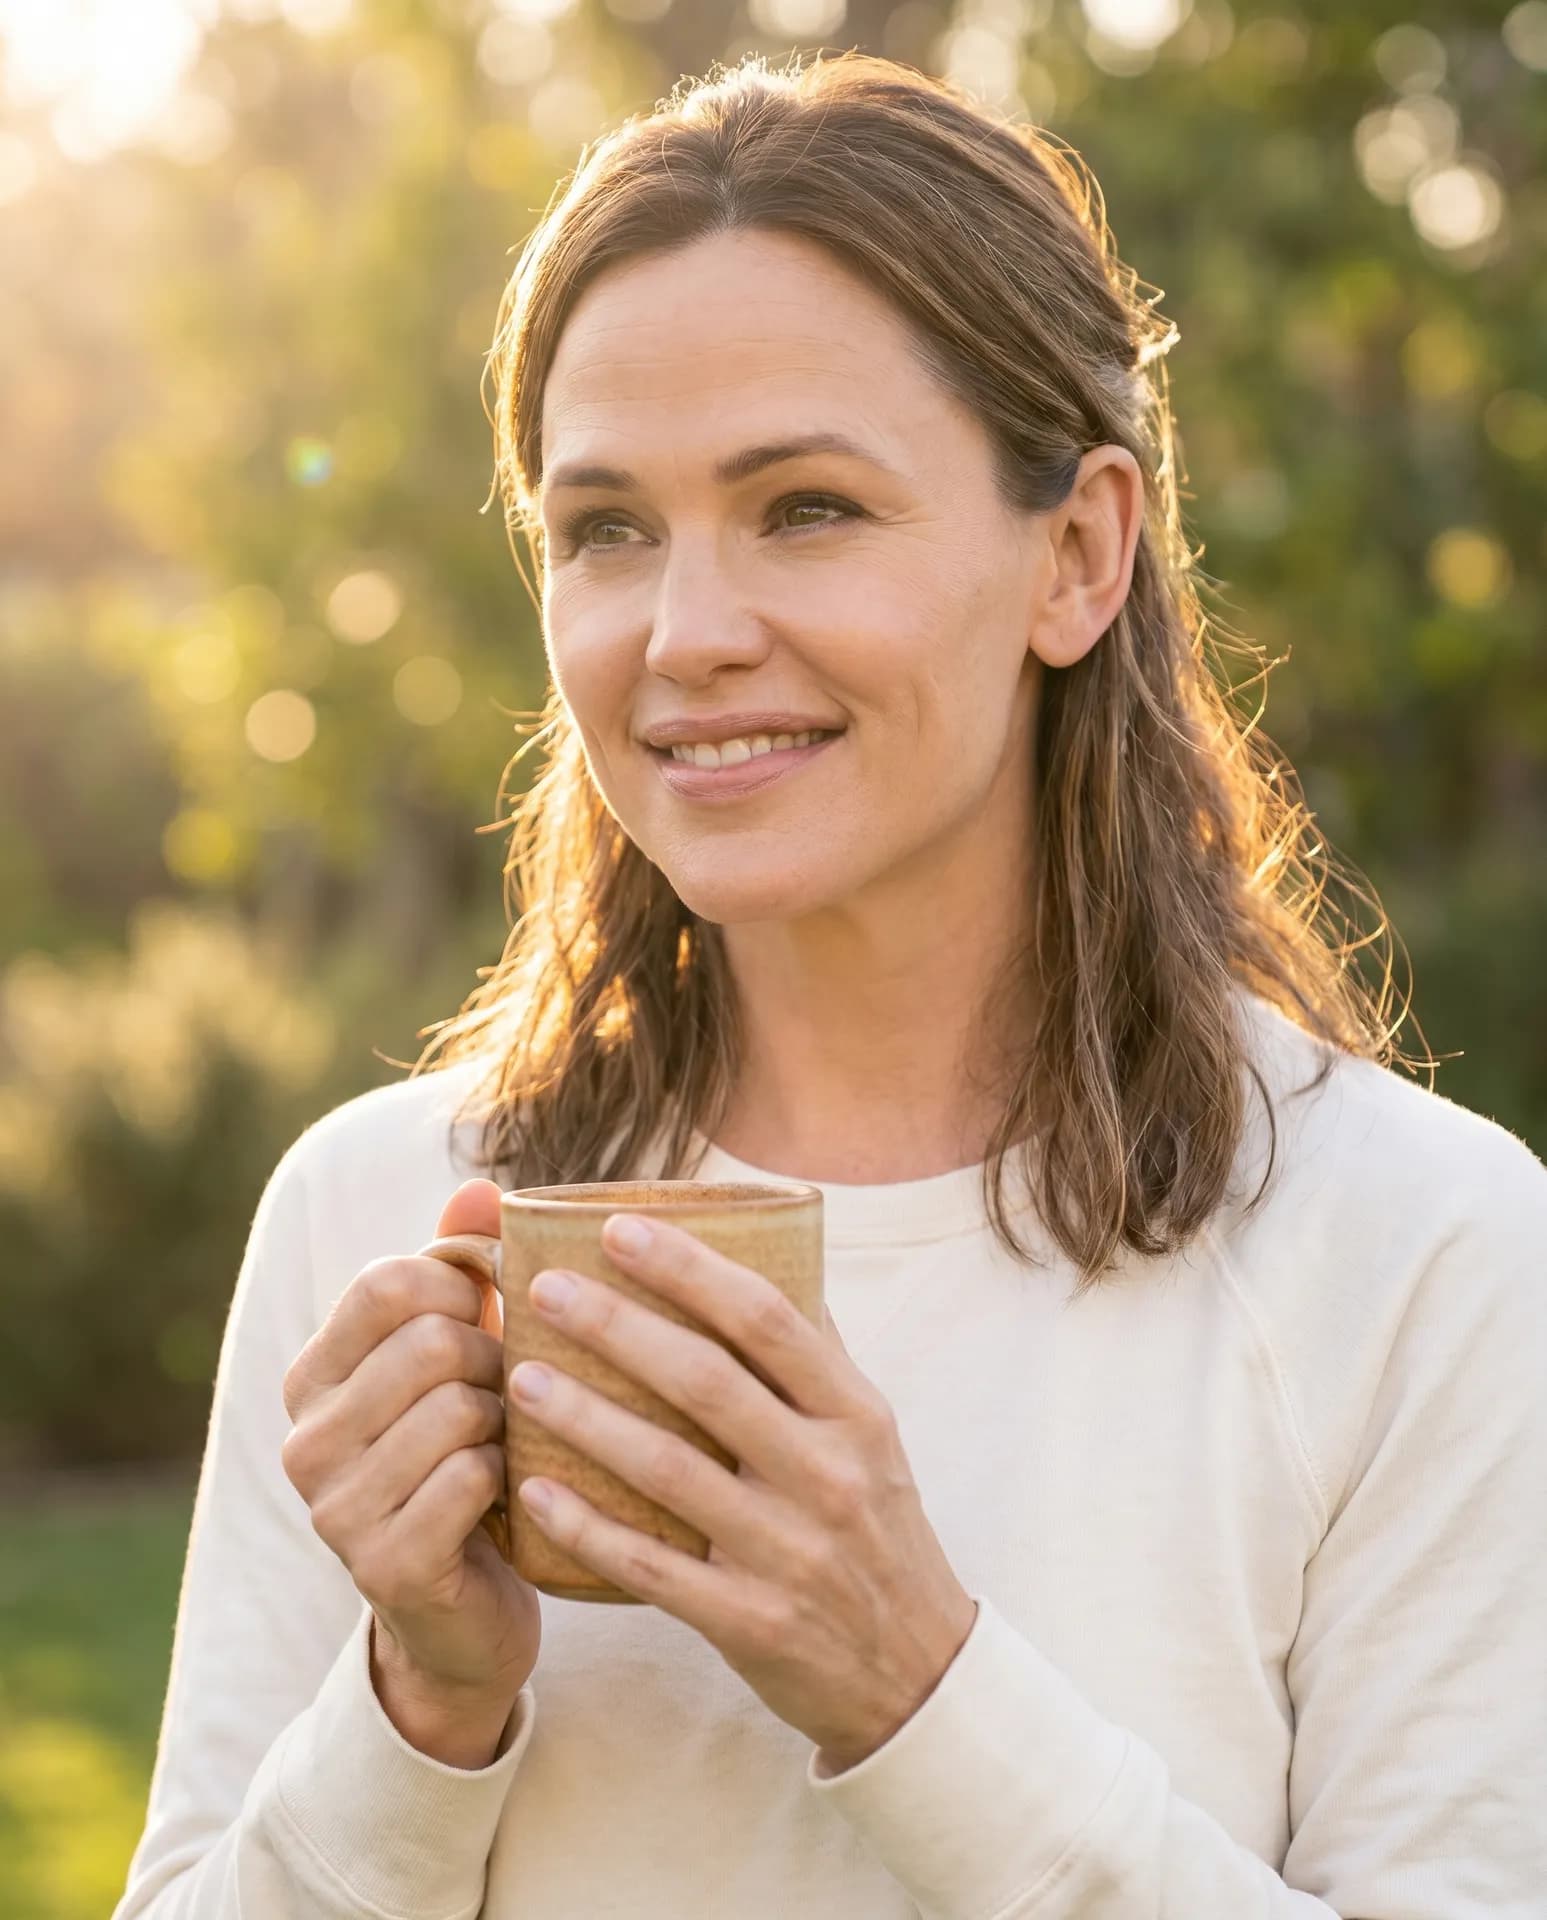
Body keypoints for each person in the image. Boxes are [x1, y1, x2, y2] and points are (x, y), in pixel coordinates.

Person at [114, 48, 1547, 1920]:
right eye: (607, 529)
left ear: (1081, 553)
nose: (687, 635)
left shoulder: (1425, 1255)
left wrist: (909, 1680)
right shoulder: (381, 1225)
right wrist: (419, 1704)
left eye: (805, 508)